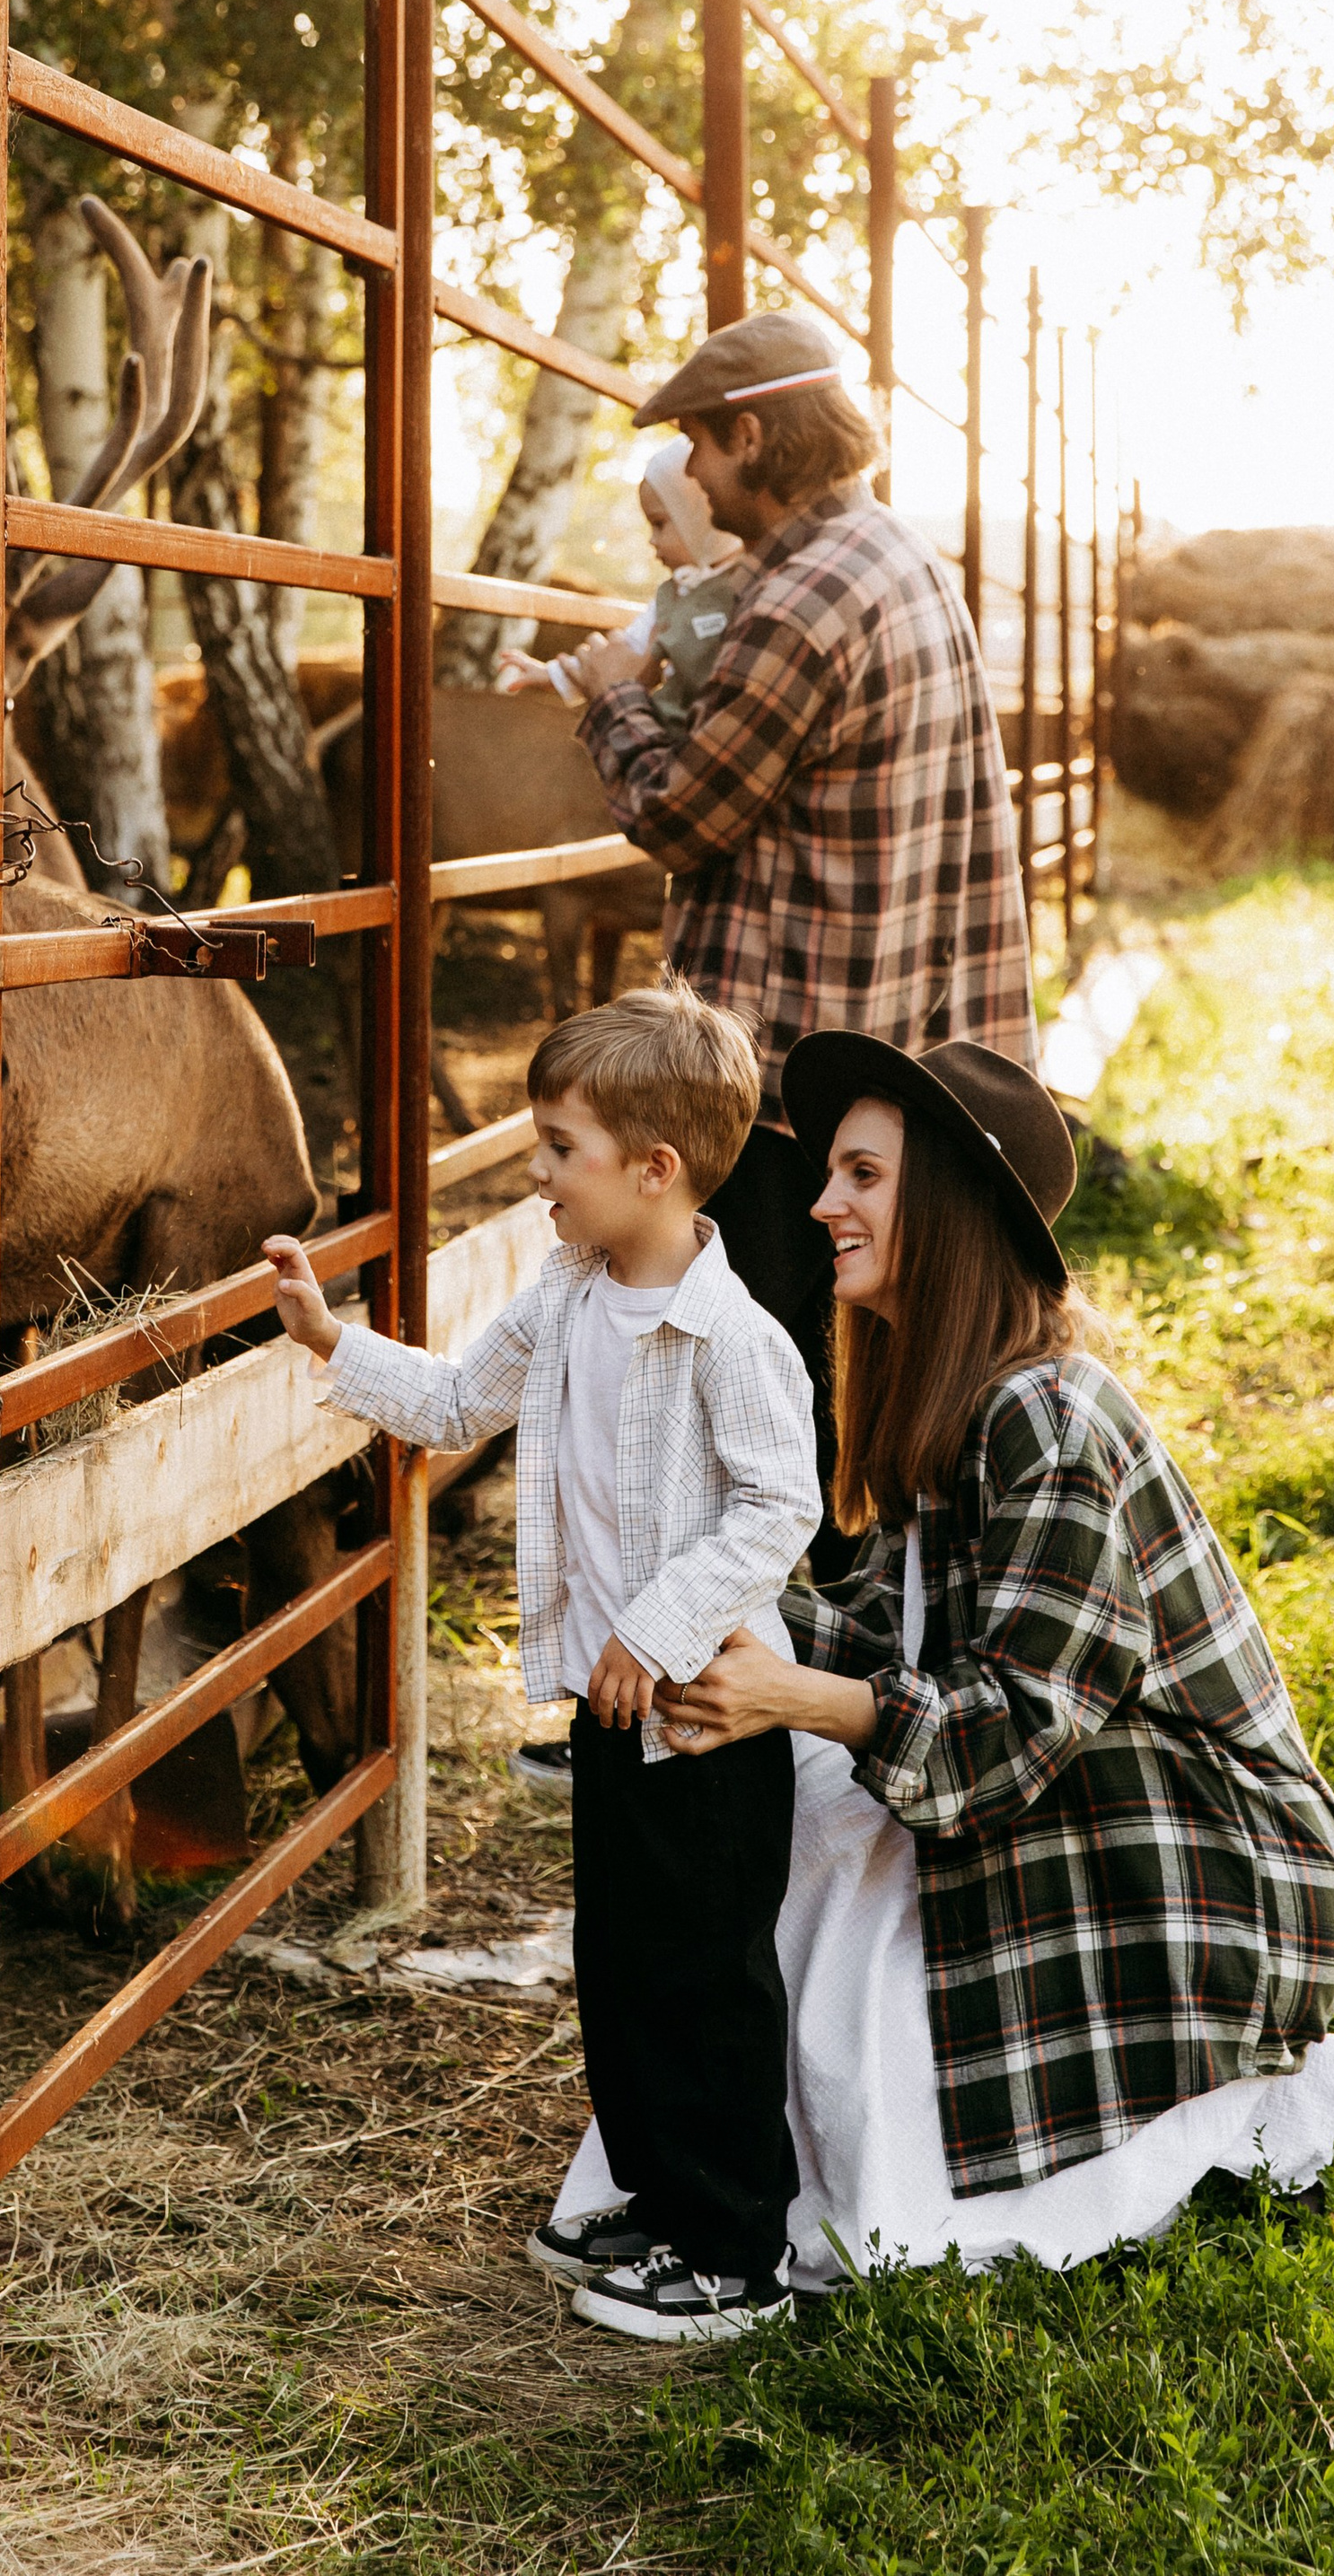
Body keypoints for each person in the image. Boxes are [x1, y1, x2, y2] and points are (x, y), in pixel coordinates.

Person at [551, 1033, 1334, 2285]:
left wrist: (791, 1692)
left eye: (863, 1176)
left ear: (948, 1206)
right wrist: (703, 1616)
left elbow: (1020, 1727)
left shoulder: (1046, 1414)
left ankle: (771, 2205)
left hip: (1186, 1851)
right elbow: (885, 1628)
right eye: (833, 1174)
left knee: (821, 1846)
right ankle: (700, 2172)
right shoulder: (953, 1397)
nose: (822, 1203)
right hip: (1061, 1791)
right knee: (793, 1814)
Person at [263, 983, 819, 2344]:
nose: (536, 1172)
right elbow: (460, 1402)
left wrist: (657, 1626)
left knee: (706, 1974)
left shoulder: (733, 1340)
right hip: (608, 1711)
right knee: (624, 1964)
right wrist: (335, 1344)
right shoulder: (570, 1293)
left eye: (557, 1148)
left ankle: (737, 2253)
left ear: (654, 1170)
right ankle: (662, 2197)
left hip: (707, 1719)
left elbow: (778, 1510)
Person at [551, 312, 1034, 1542]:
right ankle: (820, 1662)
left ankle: (752, 1701)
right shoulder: (895, 557)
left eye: (702, 450)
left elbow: (680, 812)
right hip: (859, 1039)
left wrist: (612, 698)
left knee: (761, 1398)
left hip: (772, 1074)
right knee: (820, 1387)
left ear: (753, 434)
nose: (697, 481)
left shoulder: (806, 596)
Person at [497, 438, 750, 735]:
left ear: (697, 517)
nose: (652, 541)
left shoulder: (744, 581)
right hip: (669, 727)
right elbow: (629, 647)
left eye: (660, 524)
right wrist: (552, 674)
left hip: (717, 722)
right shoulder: (671, 596)